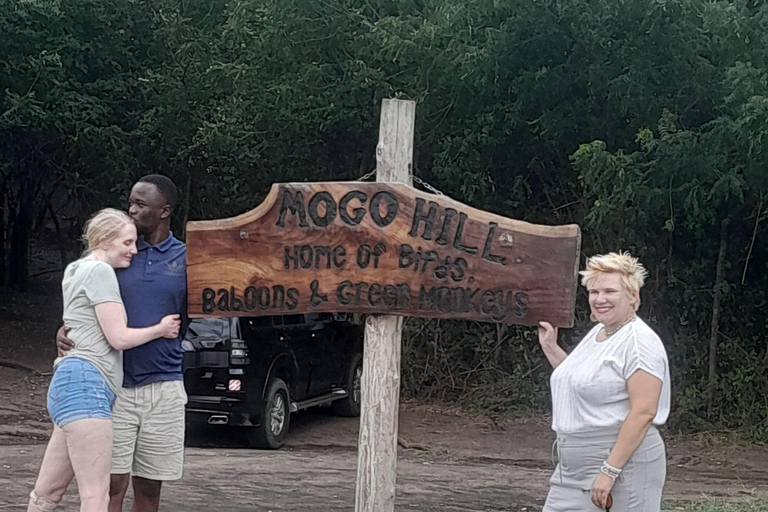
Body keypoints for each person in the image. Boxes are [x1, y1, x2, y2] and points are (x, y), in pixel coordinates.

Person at [28, 209, 181, 512]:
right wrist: (161, 330)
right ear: (104, 240)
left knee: (47, 494)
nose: (133, 250)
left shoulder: (75, 268)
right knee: (96, 495)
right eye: (127, 242)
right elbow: (119, 338)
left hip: (67, 385)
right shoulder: (100, 272)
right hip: (88, 386)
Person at [537, 252, 671, 511]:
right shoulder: (600, 332)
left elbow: (644, 411)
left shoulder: (639, 342)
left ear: (633, 295)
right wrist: (551, 348)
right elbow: (581, 383)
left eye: (610, 291)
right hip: (572, 470)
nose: (600, 299)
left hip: (622, 465)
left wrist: (610, 471)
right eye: (594, 291)